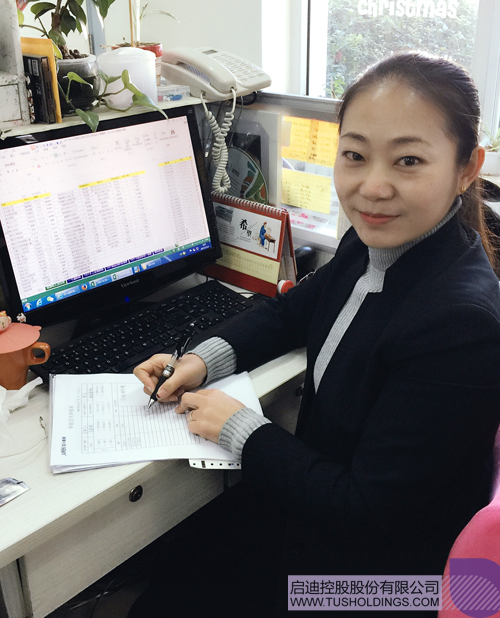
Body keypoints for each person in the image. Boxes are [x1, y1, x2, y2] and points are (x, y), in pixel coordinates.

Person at [131, 51, 500, 617]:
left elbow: (367, 509)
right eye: (354, 155)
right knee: (173, 569)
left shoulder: (462, 326)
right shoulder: (375, 240)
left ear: (466, 167)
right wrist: (201, 360)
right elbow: (291, 311)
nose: (372, 187)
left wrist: (239, 428)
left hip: (385, 582)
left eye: (408, 161)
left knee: (170, 599)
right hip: (326, 514)